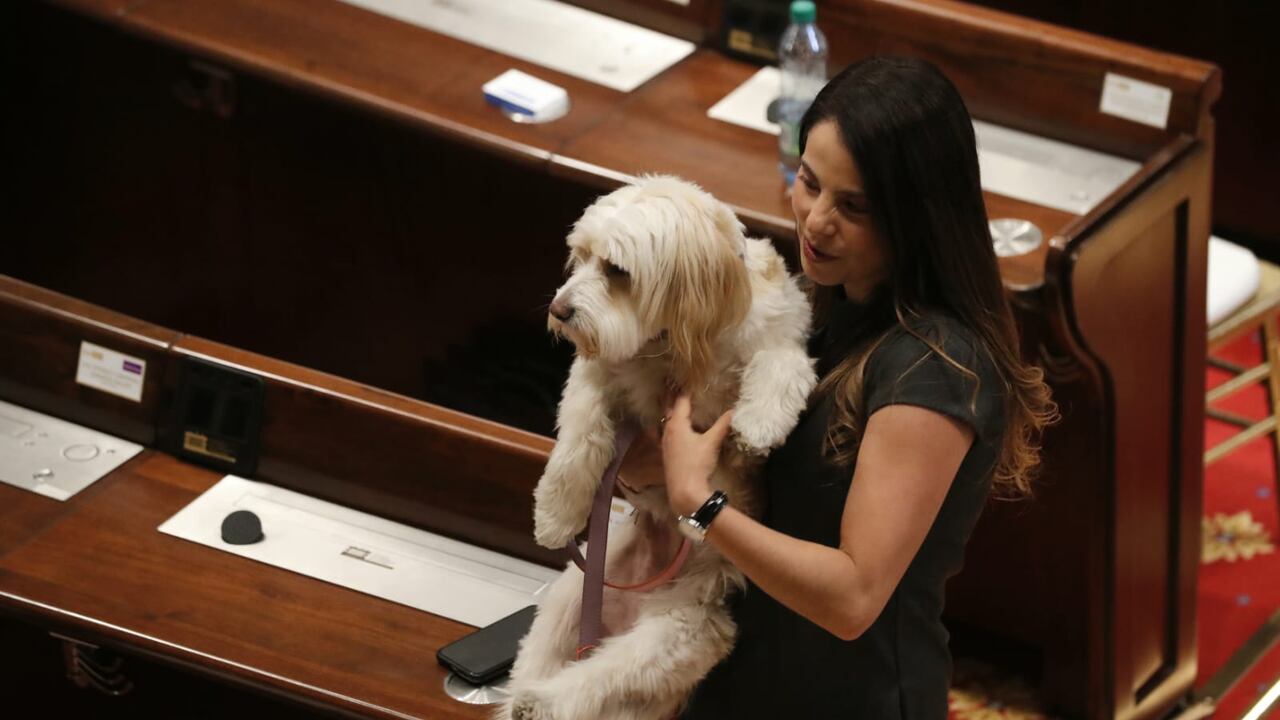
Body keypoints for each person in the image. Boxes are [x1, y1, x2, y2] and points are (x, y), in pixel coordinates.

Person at [618, 56, 1058, 718]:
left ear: (917, 218)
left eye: (852, 206)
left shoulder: (932, 371)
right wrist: (654, 461)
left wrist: (698, 501)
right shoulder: (829, 296)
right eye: (808, 182)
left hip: (851, 696)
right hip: (749, 672)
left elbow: (853, 598)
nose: (816, 220)